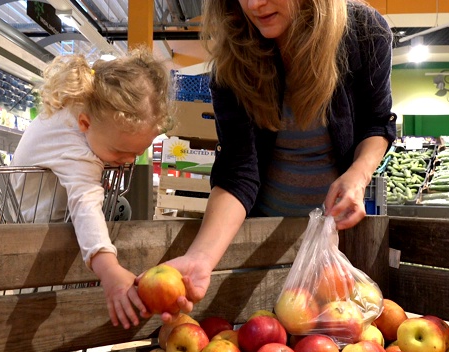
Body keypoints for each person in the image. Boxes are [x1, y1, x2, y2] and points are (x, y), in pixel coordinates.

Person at [157, 0, 397, 320]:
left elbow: (377, 123)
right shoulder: (235, 62)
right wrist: (201, 257)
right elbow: (238, 171)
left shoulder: (365, 33)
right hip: (261, 243)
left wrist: (357, 174)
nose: (254, 4)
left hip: (336, 244)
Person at [10, 48, 173, 329]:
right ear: (85, 124)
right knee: (37, 304)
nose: (129, 161)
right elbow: (85, 204)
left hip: (47, 211)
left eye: (137, 153)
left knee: (120, 208)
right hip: (36, 225)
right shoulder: (76, 147)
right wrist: (109, 271)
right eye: (120, 151)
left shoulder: (84, 111)